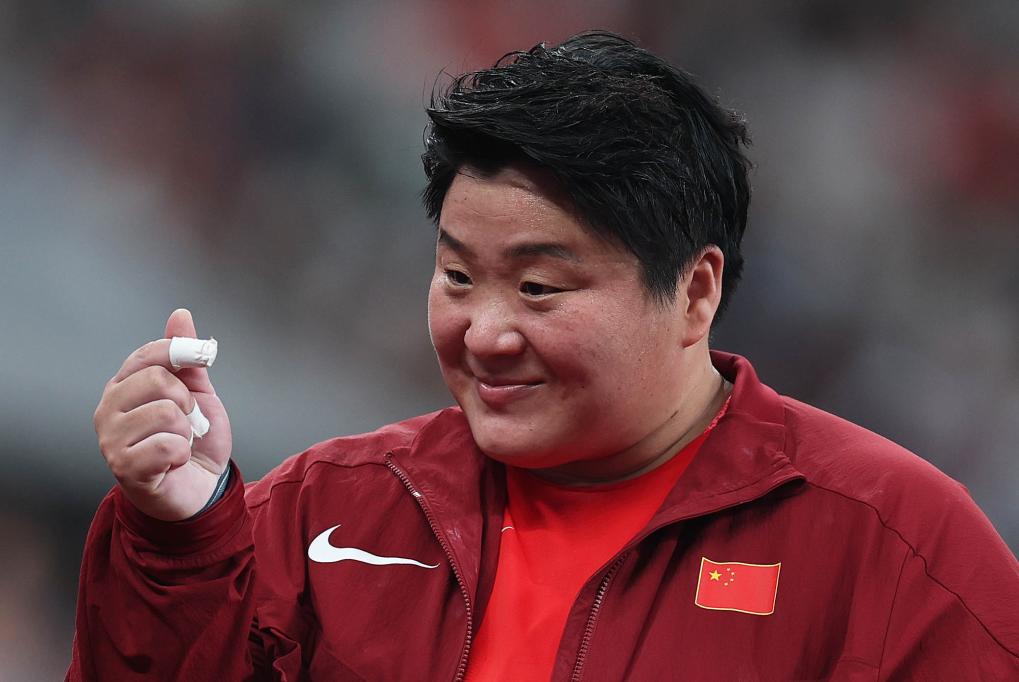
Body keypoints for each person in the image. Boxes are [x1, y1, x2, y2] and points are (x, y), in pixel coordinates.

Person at [68, 31, 1018, 681]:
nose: (484, 332)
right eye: (456, 275)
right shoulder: (323, 511)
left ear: (695, 292)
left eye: (537, 287)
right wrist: (177, 541)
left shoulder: (894, 547)